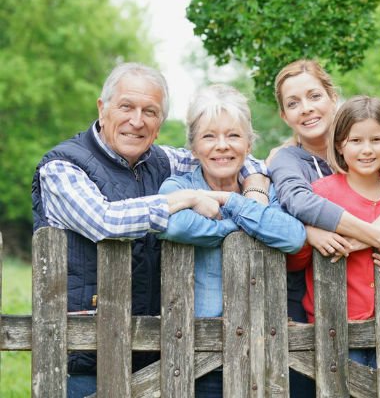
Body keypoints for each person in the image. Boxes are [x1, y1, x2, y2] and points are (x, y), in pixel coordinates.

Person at [31, 63, 267, 398]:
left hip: (157, 351)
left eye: (150, 111)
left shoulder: (163, 160)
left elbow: (226, 153)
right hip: (83, 354)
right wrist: (181, 199)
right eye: (126, 106)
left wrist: (256, 184)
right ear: (103, 107)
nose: (137, 120)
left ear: (160, 123)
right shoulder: (63, 167)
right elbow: (105, 222)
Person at [268, 59, 380, 395]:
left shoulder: (367, 144)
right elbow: (298, 203)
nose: (306, 109)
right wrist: (312, 233)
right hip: (316, 304)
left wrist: (379, 234)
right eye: (293, 103)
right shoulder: (288, 159)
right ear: (284, 115)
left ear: (332, 97)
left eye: (314, 96)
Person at [157, 84, 306, 396]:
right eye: (209, 136)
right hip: (199, 351)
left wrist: (229, 201)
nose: (222, 146)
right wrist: (243, 228)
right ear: (194, 147)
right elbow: (173, 225)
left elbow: (293, 236)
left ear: (249, 144)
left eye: (233, 136)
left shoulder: (267, 190)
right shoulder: (177, 187)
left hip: (268, 348)